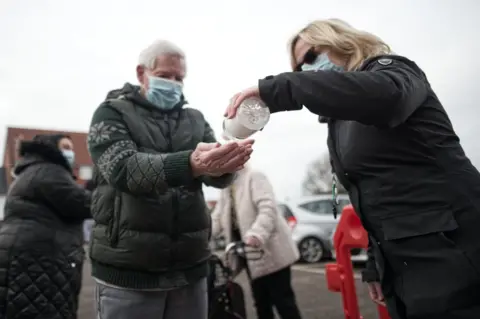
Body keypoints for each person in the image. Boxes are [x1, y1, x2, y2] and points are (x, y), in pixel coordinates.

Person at [224, 18, 480, 319]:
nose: (307, 70)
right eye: (299, 69)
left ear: (342, 42)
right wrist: (376, 262)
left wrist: (281, 88)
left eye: (311, 56)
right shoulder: (339, 123)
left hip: (455, 249)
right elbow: (370, 196)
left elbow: (387, 97)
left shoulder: (393, 71)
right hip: (405, 263)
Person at [87, 39, 253, 319]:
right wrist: (190, 163)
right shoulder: (111, 112)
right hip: (130, 274)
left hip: (191, 272)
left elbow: (217, 179)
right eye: (165, 76)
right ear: (142, 73)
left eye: (179, 78)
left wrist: (226, 162)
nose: (174, 84)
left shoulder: (195, 119)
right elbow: (124, 170)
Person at [0, 134, 91, 319]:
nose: (70, 152)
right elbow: (83, 203)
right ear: (51, 148)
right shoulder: (49, 170)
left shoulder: (31, 170)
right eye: (65, 147)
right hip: (37, 262)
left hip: (27, 258)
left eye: (72, 148)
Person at [211, 166, 302, 319]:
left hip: (271, 251)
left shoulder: (254, 176)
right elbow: (218, 217)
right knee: (261, 303)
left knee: (284, 302)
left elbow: (268, 208)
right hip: (250, 255)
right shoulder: (226, 188)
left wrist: (257, 233)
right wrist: (201, 237)